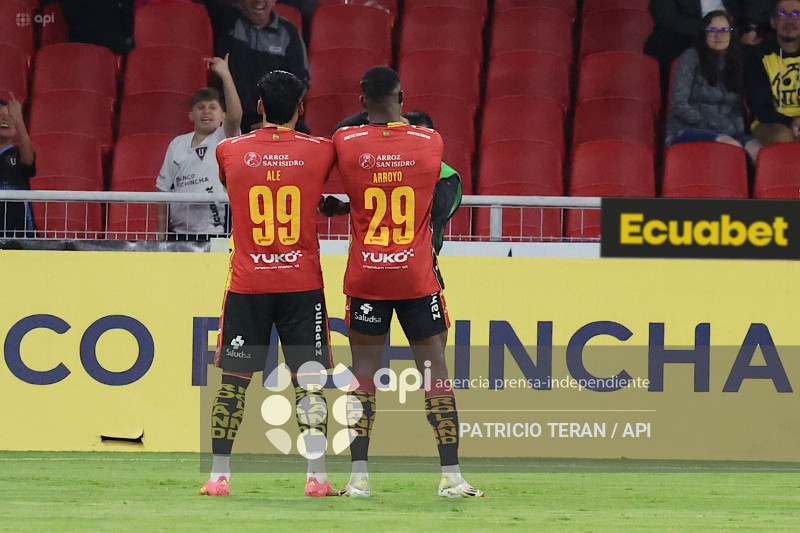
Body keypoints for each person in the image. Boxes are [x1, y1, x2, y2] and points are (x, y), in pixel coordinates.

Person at [332, 66, 483, 498]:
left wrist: (340, 207)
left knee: (362, 376)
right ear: (401, 96)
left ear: (362, 102)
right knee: (436, 375)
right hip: (415, 275)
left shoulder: (346, 141)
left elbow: (345, 151)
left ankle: (358, 478)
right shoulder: (430, 142)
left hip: (367, 277)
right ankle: (452, 477)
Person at [201, 70, 338, 498]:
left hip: (248, 284)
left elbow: (232, 186)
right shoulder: (322, 151)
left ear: (259, 107)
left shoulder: (229, 149)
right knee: (309, 383)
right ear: (302, 108)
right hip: (301, 285)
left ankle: (218, 477)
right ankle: (317, 477)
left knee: (233, 382)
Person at [325, 110, 462, 254]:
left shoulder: (447, 177)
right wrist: (348, 207)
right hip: (370, 259)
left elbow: (422, 211)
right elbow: (390, 203)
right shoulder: (389, 166)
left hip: (416, 261)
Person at [156, 55, 242, 240]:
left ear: (223, 117)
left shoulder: (225, 138)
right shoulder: (177, 144)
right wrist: (161, 237)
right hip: (179, 236)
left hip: (218, 235)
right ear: (191, 115)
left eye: (213, 107)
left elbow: (236, 116)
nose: (206, 111)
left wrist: (225, 75)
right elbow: (163, 193)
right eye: (201, 107)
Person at [666, 10, 762, 162]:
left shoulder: (737, 61)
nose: (719, 35)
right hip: (687, 128)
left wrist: (734, 129)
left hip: (727, 131)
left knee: (758, 152)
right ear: (704, 34)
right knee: (730, 146)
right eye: (712, 30)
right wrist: (712, 125)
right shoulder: (690, 58)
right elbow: (679, 104)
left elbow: (736, 109)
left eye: (724, 30)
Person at [204, 0, 310, 133]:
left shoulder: (288, 32)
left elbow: (300, 81)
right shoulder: (226, 21)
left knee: (302, 132)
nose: (258, 2)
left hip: (274, 118)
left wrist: (274, 121)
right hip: (232, 117)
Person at [644, 0, 750, 99]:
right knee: (661, 46)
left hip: (728, 31)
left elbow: (744, 11)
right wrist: (706, 29)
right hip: (685, 32)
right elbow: (664, 14)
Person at [745, 0, 800, 145]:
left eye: (796, 14)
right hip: (770, 123)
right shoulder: (758, 55)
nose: (790, 20)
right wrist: (791, 122)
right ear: (773, 22)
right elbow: (761, 108)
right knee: (782, 136)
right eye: (783, 14)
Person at [0, 94, 36, 239]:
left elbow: (29, 162)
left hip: (21, 238)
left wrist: (19, 120)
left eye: (10, 117)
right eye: (0, 116)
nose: (5, 120)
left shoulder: (17, 154)